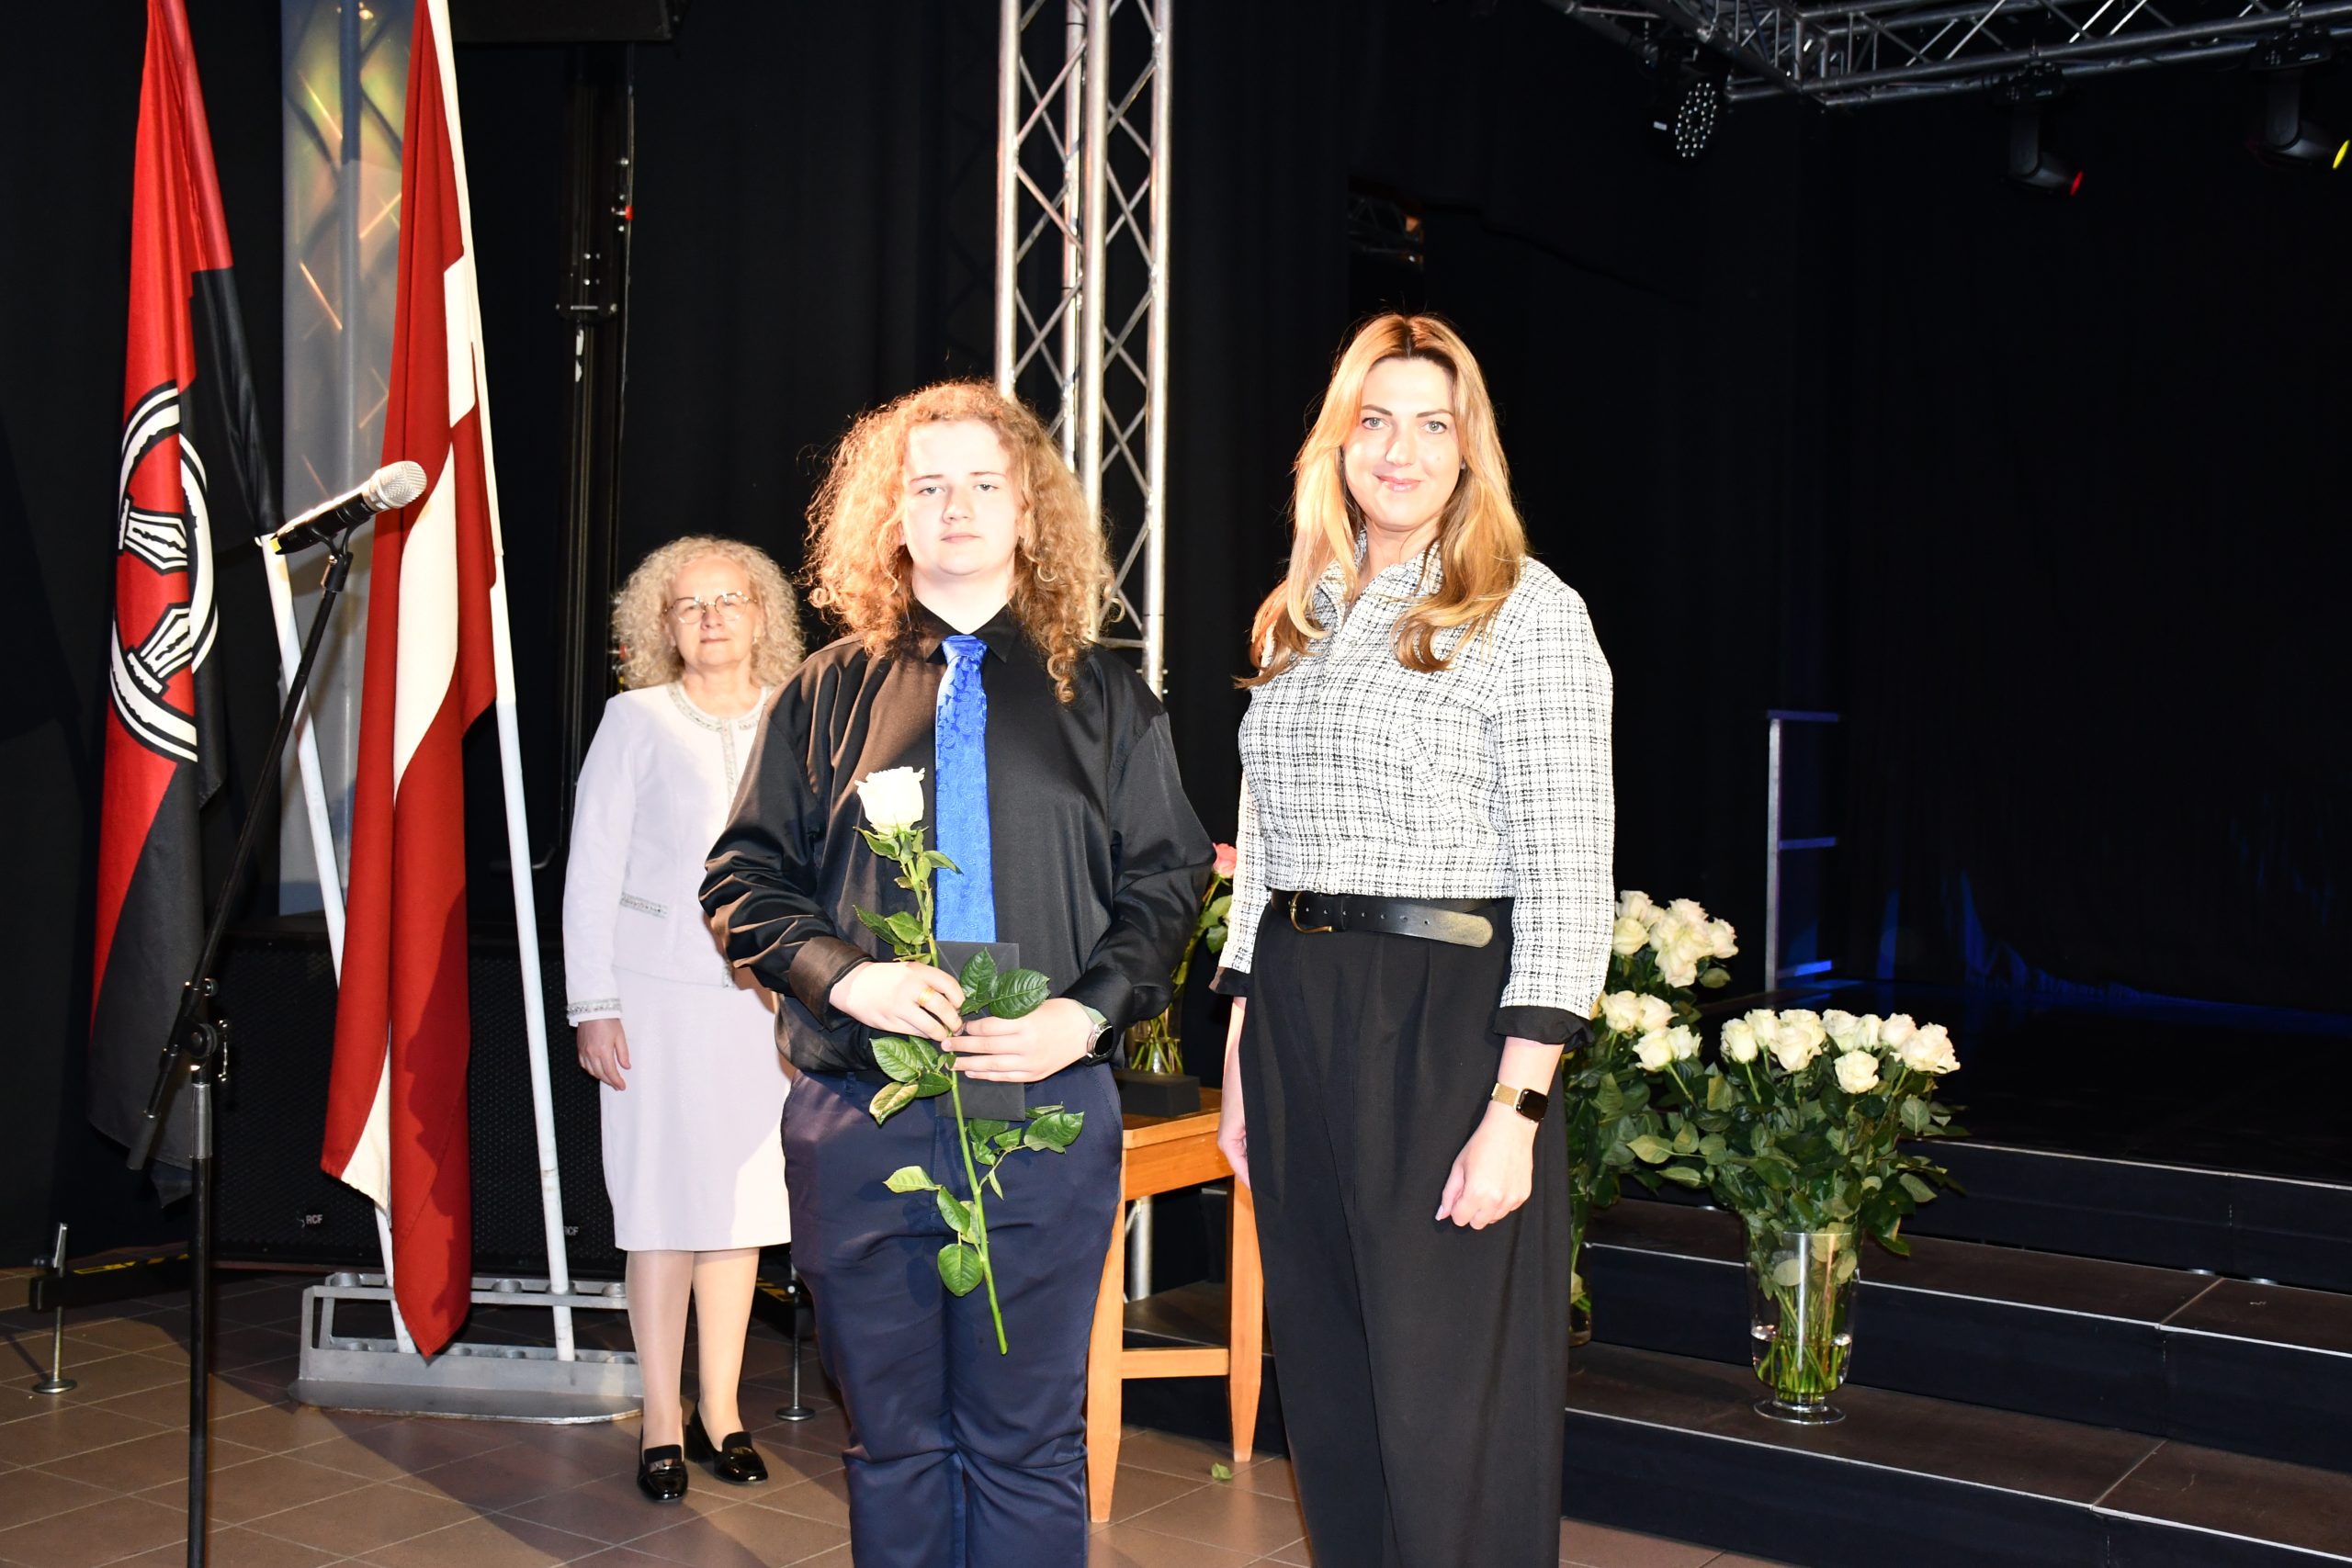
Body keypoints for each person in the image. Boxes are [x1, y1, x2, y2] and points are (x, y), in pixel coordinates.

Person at [700, 379, 1213, 1566]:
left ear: (1030, 508)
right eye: (927, 485)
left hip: (1043, 1103)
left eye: (985, 482)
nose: (957, 506)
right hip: (862, 1105)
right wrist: (846, 978)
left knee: (1028, 1438)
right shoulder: (824, 692)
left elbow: (1166, 881)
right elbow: (742, 877)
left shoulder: (1109, 699)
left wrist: (1085, 1016)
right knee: (891, 1438)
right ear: (893, 513)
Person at [1212, 314, 1615, 1566]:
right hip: (1295, 1006)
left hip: (1445, 1026)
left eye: (1432, 424)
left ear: (1468, 447)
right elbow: (1263, 841)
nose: (1400, 450)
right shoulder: (1299, 614)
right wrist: (1240, 1045)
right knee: (1331, 1380)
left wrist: (1517, 1109)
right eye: (1373, 421)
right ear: (1336, 445)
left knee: (1447, 1405)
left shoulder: (1526, 611)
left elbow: (1570, 874)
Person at [563, 536, 805, 1503]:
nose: (711, 619)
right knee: (660, 1212)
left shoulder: (794, 718)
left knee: (740, 1212)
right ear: (662, 624)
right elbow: (591, 868)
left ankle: (722, 1413)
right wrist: (593, 1005)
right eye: (690, 605)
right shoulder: (635, 719)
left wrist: (809, 988)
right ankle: (660, 1420)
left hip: (760, 1004)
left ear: (761, 614)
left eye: (729, 601)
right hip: (652, 999)